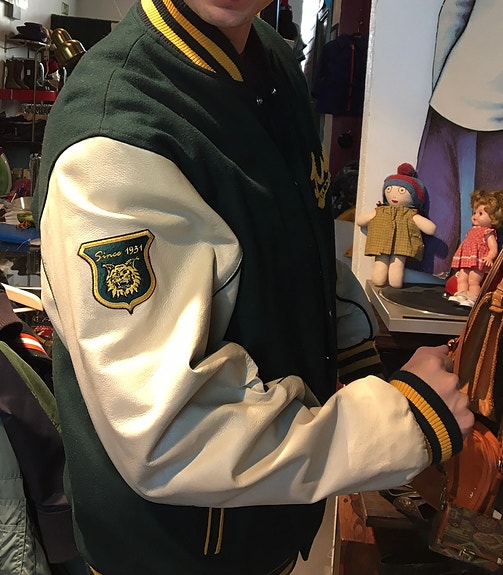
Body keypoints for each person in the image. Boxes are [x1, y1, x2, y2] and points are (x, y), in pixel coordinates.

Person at [32, 1, 473, 574]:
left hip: (265, 522)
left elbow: (298, 235)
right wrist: (405, 420)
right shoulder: (115, 138)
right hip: (176, 552)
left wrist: (356, 352)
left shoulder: (271, 61)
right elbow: (169, 437)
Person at [412, 0, 503, 278]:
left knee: (439, 216)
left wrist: (439, 86)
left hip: (455, 90)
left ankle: (444, 278)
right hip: (484, 105)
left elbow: (453, 14)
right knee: (489, 219)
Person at [356, 163, 437, 288]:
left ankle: (394, 282)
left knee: (398, 263)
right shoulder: (381, 210)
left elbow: (431, 229)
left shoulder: (410, 214)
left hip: (402, 245)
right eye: (389, 190)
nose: (394, 195)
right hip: (381, 243)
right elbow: (361, 221)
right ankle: (380, 280)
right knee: (381, 261)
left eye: (402, 191)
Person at [448, 190, 503, 308]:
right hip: (467, 260)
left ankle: (473, 298)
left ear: (494, 218)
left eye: (480, 213)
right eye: (474, 213)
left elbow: (493, 248)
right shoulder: (472, 230)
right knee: (462, 278)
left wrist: (489, 257)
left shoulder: (488, 232)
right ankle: (461, 295)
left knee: (474, 280)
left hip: (479, 262)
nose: (475, 217)